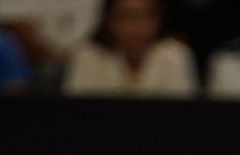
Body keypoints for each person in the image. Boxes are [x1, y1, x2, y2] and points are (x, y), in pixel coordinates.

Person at [63, 0, 199, 97]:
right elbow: (77, 114)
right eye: (125, 15)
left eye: (144, 16)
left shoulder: (176, 55)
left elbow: (184, 116)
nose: (135, 26)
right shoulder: (87, 56)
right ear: (109, 19)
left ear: (158, 19)